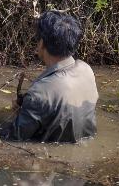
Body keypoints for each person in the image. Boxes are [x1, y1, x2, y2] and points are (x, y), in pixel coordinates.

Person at [7, 10, 99, 143]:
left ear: (42, 43)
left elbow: (14, 138)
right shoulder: (86, 70)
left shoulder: (39, 94)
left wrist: (16, 116)